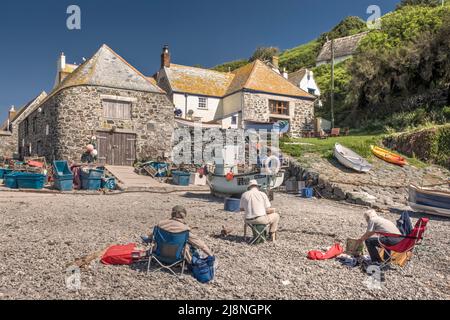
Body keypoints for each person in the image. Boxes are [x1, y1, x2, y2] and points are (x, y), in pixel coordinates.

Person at [145, 206, 213, 262]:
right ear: (184, 216)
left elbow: (150, 237)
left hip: (159, 256)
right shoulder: (185, 229)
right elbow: (201, 245)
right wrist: (211, 256)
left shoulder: (160, 225)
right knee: (191, 246)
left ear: (172, 214)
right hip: (177, 258)